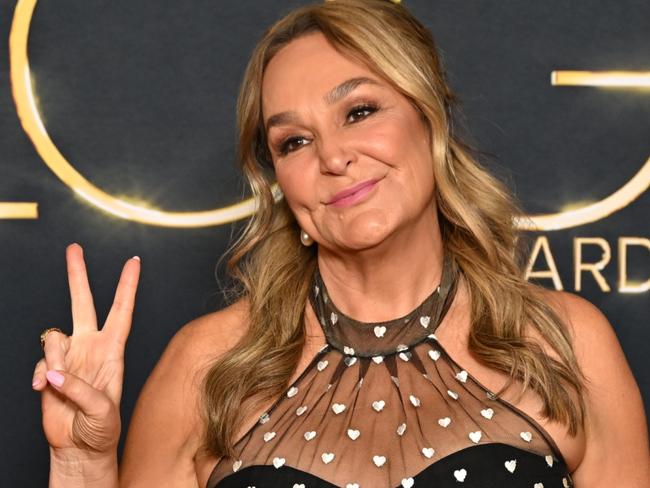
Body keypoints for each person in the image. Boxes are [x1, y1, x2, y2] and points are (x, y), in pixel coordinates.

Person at [33, 1, 649, 486]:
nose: (332, 157)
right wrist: (82, 465)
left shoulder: (566, 342)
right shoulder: (206, 367)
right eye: (294, 142)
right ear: (279, 182)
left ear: (427, 120)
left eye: (358, 111)